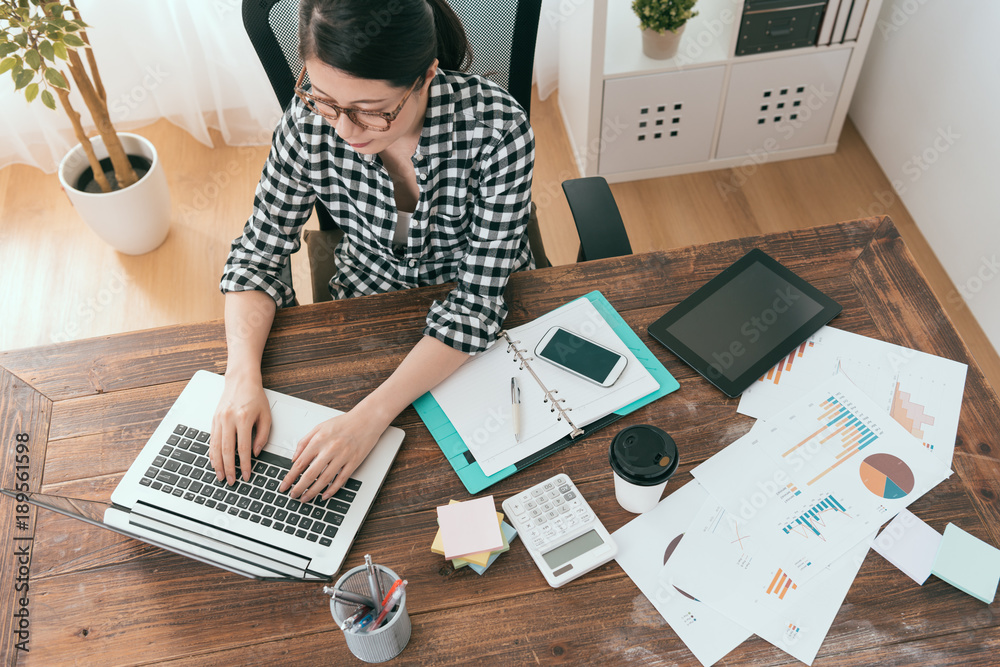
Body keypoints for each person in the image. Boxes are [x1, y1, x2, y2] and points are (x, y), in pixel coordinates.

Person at [211, 0, 535, 503]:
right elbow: (257, 255)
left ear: (425, 76)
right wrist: (239, 376)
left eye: (371, 111)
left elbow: (476, 305)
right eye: (323, 98)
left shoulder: (498, 130)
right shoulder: (309, 123)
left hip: (472, 341)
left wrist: (370, 418)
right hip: (367, 310)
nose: (343, 128)